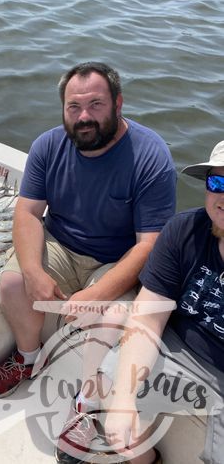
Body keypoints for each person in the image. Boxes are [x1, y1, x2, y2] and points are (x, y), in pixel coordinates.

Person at [0, 62, 177, 461]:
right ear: (63, 110)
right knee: (14, 283)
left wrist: (98, 293)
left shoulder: (151, 155)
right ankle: (27, 357)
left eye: (95, 104)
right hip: (62, 244)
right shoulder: (47, 146)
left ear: (118, 104)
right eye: (74, 107)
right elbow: (28, 213)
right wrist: (34, 272)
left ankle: (86, 402)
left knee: (109, 317)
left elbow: (149, 245)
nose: (84, 116)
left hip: (118, 258)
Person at [103, 141, 224, 464]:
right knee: (111, 382)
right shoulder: (184, 230)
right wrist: (124, 398)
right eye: (218, 182)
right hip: (180, 345)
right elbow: (147, 317)